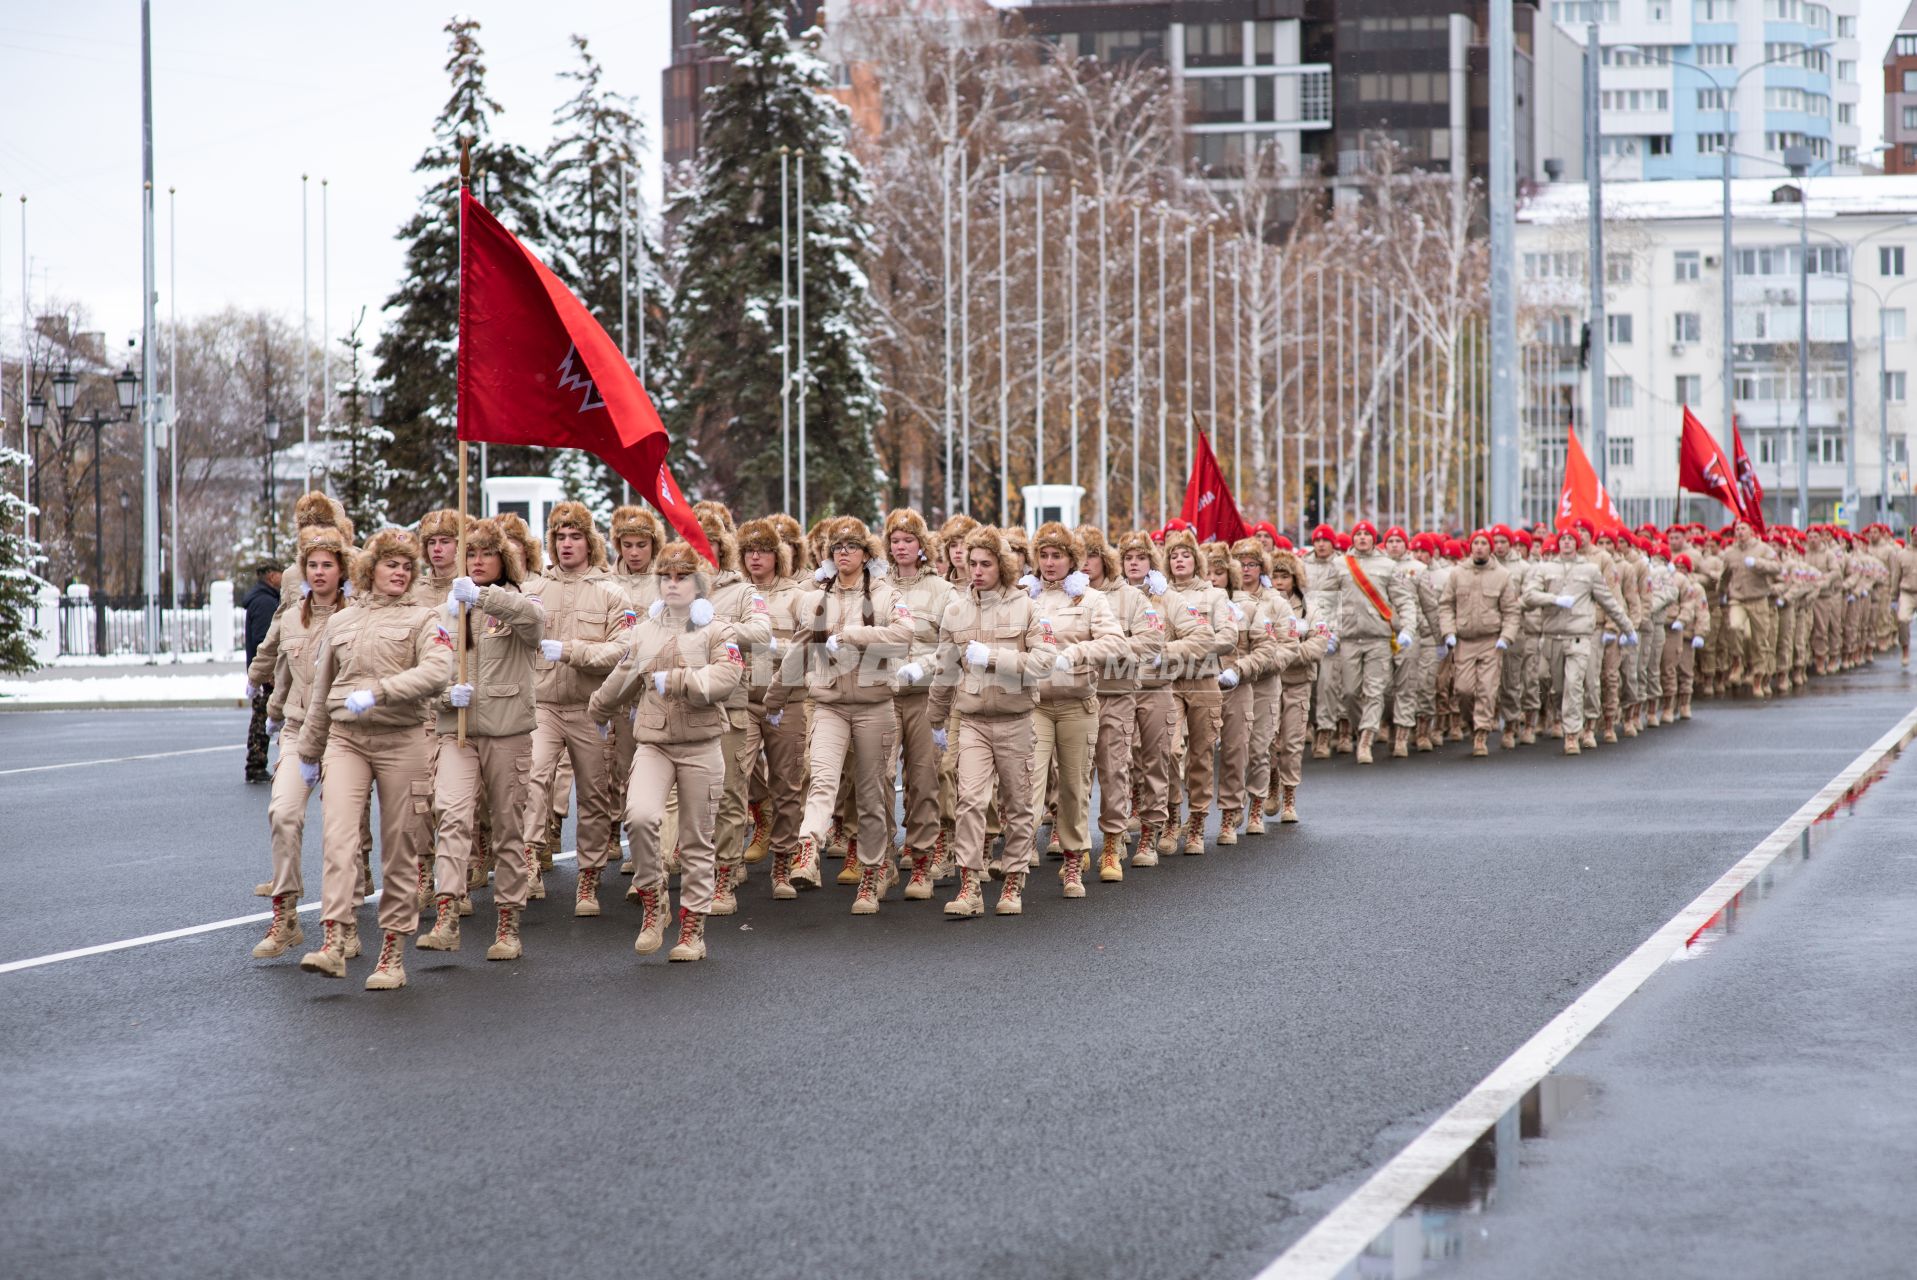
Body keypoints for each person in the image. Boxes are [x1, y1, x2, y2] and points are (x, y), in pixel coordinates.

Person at [295, 528, 454, 989]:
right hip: (346, 739)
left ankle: (392, 952)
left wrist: (382, 690)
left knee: (400, 848)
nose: (400, 572)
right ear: (370, 570)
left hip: (402, 739)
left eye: (407, 566)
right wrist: (309, 751)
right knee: (339, 841)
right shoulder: (341, 622)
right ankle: (334, 939)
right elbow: (322, 691)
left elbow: (438, 670)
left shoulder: (426, 619)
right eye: (391, 564)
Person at [588, 540, 744, 962]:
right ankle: (654, 902)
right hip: (654, 744)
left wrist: (680, 680)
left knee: (696, 840)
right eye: (666, 578)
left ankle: (692, 928)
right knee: (639, 817)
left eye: (682, 578)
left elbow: (728, 674)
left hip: (700, 743)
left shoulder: (717, 629)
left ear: (697, 583)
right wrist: (597, 709)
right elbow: (622, 676)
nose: (673, 585)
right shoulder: (643, 631)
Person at [418, 518, 545, 960]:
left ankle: (508, 920)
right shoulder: (444, 611)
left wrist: (485, 598)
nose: (476, 561)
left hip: (506, 731)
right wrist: (442, 695)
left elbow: (535, 623)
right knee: (451, 814)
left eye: (486, 554)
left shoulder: (518, 599)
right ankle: (447, 915)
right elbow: (427, 668)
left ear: (502, 559)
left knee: (508, 826)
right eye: (470, 554)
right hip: (458, 731)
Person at [780, 516, 912, 914]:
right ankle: (808, 847)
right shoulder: (816, 596)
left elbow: (905, 635)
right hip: (830, 703)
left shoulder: (886, 595)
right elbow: (798, 646)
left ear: (867, 554)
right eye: (837, 548)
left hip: (874, 706)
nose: (843, 553)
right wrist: (775, 697)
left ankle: (871, 878)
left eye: (852, 547)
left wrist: (854, 634)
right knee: (820, 778)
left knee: (872, 794)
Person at [929, 525, 1057, 918]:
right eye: (972, 563)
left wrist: (996, 658)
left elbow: (1044, 662)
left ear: (1001, 566)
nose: (978, 570)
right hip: (972, 722)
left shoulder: (1028, 608)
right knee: (970, 801)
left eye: (986, 563)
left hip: (1016, 719)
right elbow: (944, 669)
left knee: (1017, 804)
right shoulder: (954, 610)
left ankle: (1014, 881)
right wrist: (935, 718)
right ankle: (970, 885)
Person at [247, 526, 349, 959]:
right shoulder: (290, 617)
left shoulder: (356, 615)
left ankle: (341, 928)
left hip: (344, 734)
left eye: (328, 564)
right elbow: (278, 664)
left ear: (343, 571)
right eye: (313, 565)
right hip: (297, 730)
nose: (320, 571)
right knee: (283, 813)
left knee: (339, 833)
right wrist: (265, 700)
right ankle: (286, 916)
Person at [521, 502, 627, 912]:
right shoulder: (533, 591)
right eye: (559, 538)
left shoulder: (610, 593)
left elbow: (622, 649)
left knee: (595, 793)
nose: (566, 545)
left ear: (590, 543)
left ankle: (589, 877)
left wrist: (571, 651)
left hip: (592, 708)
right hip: (543, 705)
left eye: (575, 537)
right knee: (532, 780)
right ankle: (530, 858)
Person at [1026, 522, 1127, 896]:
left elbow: (1115, 642)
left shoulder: (1089, 598)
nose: (1050, 563)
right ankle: (1017, 869)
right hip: (1033, 704)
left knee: (1073, 787)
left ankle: (1072, 864)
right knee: (1029, 786)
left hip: (1076, 705)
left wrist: (1078, 652)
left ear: (1072, 560)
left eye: (1058, 556)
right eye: (1044, 555)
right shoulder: (1024, 594)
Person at [1118, 530, 1211, 866]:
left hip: (1157, 688)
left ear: (1151, 563)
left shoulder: (1166, 597)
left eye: (1140, 558)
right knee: (1120, 762)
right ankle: (1117, 831)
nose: (1133, 564)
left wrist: (1165, 652)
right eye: (1128, 558)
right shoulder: (1111, 595)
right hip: (1118, 690)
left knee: (1166, 754)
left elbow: (1203, 636)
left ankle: (1161, 824)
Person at [1080, 526, 1165, 880]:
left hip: (1115, 693)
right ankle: (1078, 843)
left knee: (1115, 769)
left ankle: (1113, 843)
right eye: (1078, 557)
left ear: (1104, 558)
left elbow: (1154, 637)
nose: (1084, 564)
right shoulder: (1068, 595)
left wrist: (1113, 647)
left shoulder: (1128, 597)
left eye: (1091, 556)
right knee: (1075, 774)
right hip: (1075, 695)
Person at [883, 509, 957, 897]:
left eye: (908, 540)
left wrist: (922, 667)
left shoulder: (943, 591)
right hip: (882, 697)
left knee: (924, 781)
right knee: (876, 780)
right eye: (895, 541)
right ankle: (879, 864)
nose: (900, 547)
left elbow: (950, 646)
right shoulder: (876, 585)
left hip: (924, 699)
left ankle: (922, 866)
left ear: (921, 545)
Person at [736, 517, 809, 899]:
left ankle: (783, 863)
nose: (755, 558)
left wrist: (779, 656)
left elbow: (809, 649)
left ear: (777, 555)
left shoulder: (798, 596)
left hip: (787, 700)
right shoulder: (736, 593)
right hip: (743, 698)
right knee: (735, 774)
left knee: (788, 783)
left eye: (763, 550)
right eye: (748, 551)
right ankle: (727, 864)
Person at [1524, 532, 1634, 756]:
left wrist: (1628, 627)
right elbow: (1529, 596)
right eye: (1563, 540)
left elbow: (1609, 600)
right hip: (1553, 637)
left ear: (1578, 544)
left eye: (1571, 540)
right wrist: (1553, 599)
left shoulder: (1590, 570)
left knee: (1575, 684)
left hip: (1579, 637)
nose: (1566, 543)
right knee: (1557, 686)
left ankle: (1572, 735)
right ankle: (1567, 721)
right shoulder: (1545, 569)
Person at [1320, 521, 1420, 764]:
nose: (1362, 538)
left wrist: (1408, 628)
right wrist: (1325, 630)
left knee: (1375, 691)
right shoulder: (1339, 564)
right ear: (1353, 539)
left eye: (1367, 534)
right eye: (1358, 534)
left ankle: (1365, 740)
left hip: (1379, 639)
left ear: (1374, 539)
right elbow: (1323, 600)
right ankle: (1361, 728)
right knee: (1350, 692)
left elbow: (1404, 600)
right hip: (1349, 639)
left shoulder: (1388, 566)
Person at [1209, 540, 1285, 844]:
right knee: (1202, 755)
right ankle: (1209, 812)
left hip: (1257, 683)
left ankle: (1253, 806)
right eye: (1209, 572)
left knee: (1252, 749)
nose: (1213, 578)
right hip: (1207, 685)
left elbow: (1276, 648)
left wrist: (1241, 669)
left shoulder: (1261, 604)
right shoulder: (1199, 604)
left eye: (1250, 563)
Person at [1438, 530, 1519, 756]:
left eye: (1484, 543)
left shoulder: (1502, 575)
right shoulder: (1457, 573)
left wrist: (1506, 637)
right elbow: (1446, 605)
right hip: (1464, 640)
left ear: (1490, 548)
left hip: (1491, 641)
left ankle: (1481, 733)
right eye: (1476, 543)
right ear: (1470, 547)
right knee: (1463, 689)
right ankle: (1473, 722)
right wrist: (1448, 632)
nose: (1479, 547)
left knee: (1486, 688)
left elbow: (1511, 611)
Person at [1267, 546, 1332, 822]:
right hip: (1268, 682)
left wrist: (1291, 655)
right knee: (1268, 741)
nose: (1279, 582)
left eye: (1284, 576)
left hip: (1297, 682)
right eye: (1275, 576)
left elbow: (1319, 642)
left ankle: (1290, 796)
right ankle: (1271, 785)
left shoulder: (1309, 608)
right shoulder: (1263, 605)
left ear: (1295, 579)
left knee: (1292, 742)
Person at [241, 562, 282, 783]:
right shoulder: (265, 601)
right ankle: (256, 765)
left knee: (261, 716)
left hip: (263, 670)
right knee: (262, 718)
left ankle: (256, 764)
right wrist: (267, 673)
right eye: (280, 573)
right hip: (267, 673)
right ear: (272, 576)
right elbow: (264, 641)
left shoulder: (262, 598)